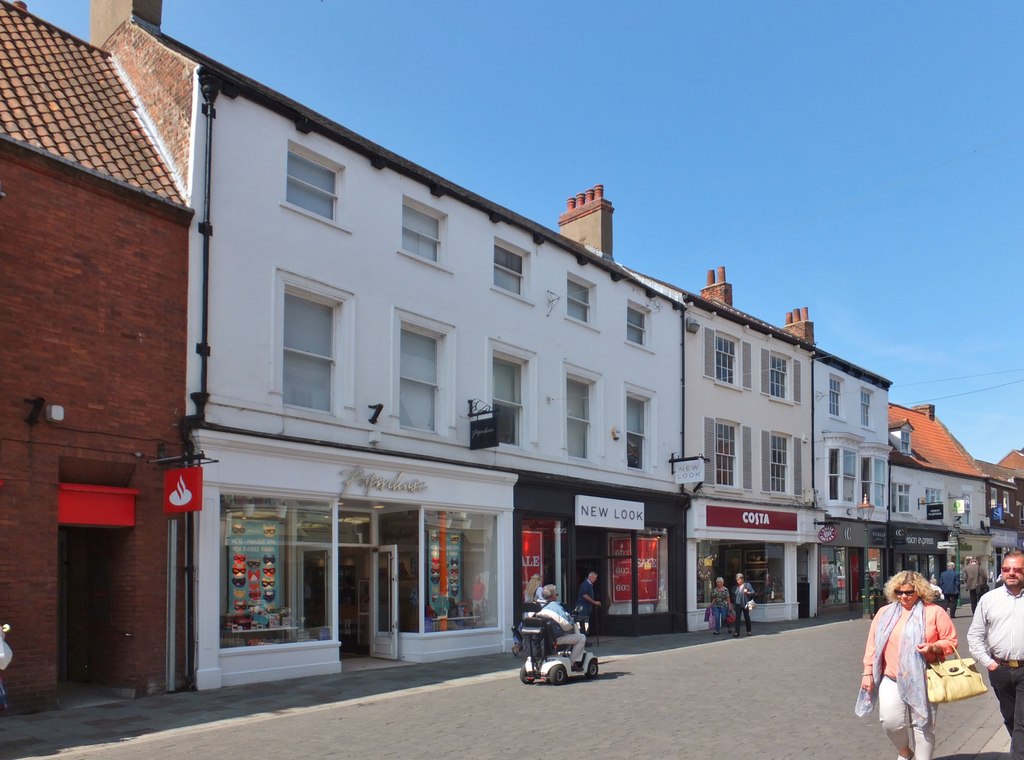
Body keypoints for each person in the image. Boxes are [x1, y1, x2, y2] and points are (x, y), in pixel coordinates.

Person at [859, 570, 957, 760]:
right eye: (899, 592)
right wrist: (867, 672)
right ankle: (905, 752)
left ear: (919, 591)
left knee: (923, 726)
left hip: (925, 678)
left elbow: (951, 641)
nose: (903, 596)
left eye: (909, 592)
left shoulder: (934, 612)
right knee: (890, 721)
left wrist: (934, 646)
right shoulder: (884, 613)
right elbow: (872, 645)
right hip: (891, 677)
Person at [967, 550, 1024, 759]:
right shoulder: (989, 599)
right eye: (1007, 569)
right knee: (1009, 716)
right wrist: (988, 663)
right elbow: (974, 635)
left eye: (1017, 570)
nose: (1011, 573)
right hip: (999, 668)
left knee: (1022, 720)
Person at [537, 584, 587, 670]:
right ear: (553, 596)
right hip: (556, 638)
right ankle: (572, 663)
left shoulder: (542, 608)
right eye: (557, 594)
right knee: (581, 638)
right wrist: (570, 619)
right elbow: (567, 625)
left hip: (545, 638)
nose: (557, 596)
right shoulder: (555, 607)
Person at [732, 573, 755, 637]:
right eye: (737, 580)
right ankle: (736, 632)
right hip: (738, 604)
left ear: (742, 579)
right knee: (737, 618)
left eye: (738, 580)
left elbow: (753, 592)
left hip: (745, 603)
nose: (737, 581)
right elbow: (734, 595)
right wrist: (734, 603)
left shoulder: (747, 585)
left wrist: (747, 592)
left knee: (747, 617)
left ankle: (749, 631)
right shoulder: (736, 587)